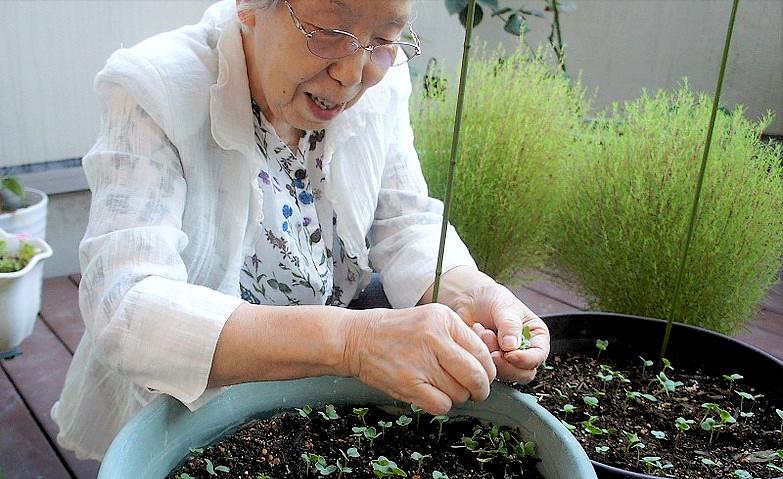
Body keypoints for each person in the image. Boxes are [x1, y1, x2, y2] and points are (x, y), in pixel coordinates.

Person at [51, 0, 550, 461]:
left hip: (315, 383)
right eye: (329, 30)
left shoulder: (383, 79)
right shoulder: (154, 88)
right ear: (251, 6)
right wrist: (354, 343)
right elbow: (126, 306)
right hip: (186, 402)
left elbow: (403, 218)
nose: (352, 74)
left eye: (383, 38)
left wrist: (470, 292)